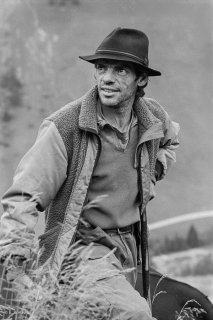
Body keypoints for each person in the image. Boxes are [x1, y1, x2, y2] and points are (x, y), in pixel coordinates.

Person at [0, 27, 179, 319]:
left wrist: (154, 170)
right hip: (80, 248)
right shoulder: (66, 127)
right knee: (136, 315)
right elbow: (24, 194)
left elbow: (171, 142)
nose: (106, 78)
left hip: (128, 247)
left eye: (120, 70)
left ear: (142, 79)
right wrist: (14, 255)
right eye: (100, 68)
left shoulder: (153, 117)